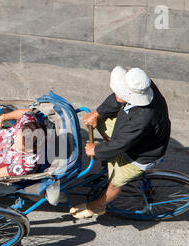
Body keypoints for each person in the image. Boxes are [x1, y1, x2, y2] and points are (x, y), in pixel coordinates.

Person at [71, 66, 171, 219]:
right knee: (101, 121)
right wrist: (97, 113)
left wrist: (96, 151)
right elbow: (117, 99)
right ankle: (109, 154)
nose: (118, 93)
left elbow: (121, 144)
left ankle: (97, 207)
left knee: (115, 182)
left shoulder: (142, 119)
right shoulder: (143, 86)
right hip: (129, 132)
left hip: (141, 154)